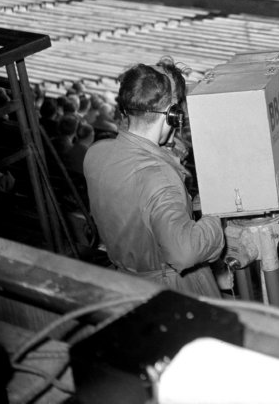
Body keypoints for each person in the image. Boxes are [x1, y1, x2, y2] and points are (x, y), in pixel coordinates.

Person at [84, 62, 223, 296]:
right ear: (173, 114)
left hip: (125, 284)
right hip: (172, 289)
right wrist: (214, 216)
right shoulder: (160, 178)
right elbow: (184, 252)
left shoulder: (96, 153)